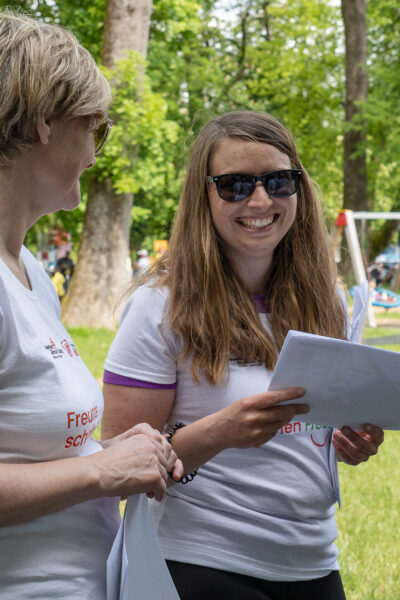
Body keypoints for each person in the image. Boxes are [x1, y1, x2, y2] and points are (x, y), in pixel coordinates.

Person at [101, 111, 385, 600]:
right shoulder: (160, 305)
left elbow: (322, 430)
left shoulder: (329, 302)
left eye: (278, 181)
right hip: (201, 562)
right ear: (203, 195)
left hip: (314, 561)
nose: (259, 201)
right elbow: (115, 467)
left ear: (299, 188)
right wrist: (219, 433)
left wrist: (350, 437)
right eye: (234, 185)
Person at [0, 11, 182, 599]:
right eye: (95, 129)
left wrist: (113, 453)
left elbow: (32, 453)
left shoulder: (29, 271)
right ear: (45, 121)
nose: (95, 154)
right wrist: (100, 470)